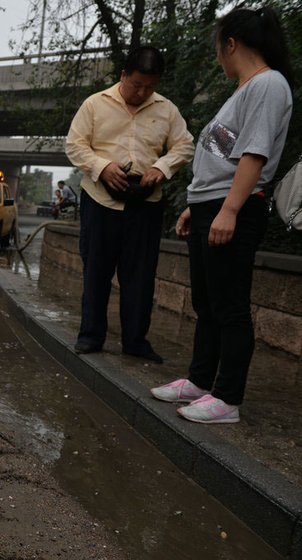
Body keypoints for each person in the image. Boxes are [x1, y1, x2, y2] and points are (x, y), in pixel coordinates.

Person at [151, 7, 293, 424]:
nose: (217, 56)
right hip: (213, 204)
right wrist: (198, 205)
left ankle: (227, 398)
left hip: (235, 206)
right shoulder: (244, 89)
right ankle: (199, 381)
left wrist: (229, 210)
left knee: (230, 305)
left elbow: (255, 155)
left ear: (230, 44)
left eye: (218, 47)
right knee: (207, 302)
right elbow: (222, 159)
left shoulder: (268, 85)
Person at [65, 46, 195, 363]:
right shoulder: (95, 104)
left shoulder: (167, 110)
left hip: (145, 202)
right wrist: (102, 167)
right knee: (96, 270)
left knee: (140, 276)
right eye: (136, 84)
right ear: (123, 75)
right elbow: (74, 144)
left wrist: (160, 169)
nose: (142, 92)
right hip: (99, 199)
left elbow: (185, 145)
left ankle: (135, 341)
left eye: (150, 86)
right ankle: (91, 336)